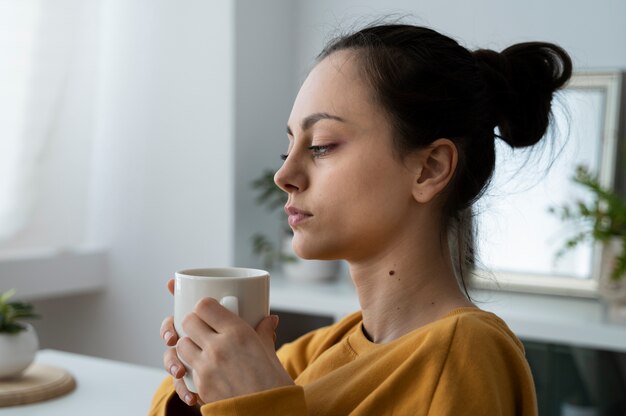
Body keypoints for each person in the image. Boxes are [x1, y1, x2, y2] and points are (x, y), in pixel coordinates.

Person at [149, 23, 572, 415]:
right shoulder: (319, 350)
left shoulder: (464, 353)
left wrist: (255, 402)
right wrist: (197, 384)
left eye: (322, 146)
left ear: (429, 169)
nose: (284, 176)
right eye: (289, 149)